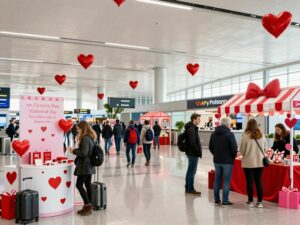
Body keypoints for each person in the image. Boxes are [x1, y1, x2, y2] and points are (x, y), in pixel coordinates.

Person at [209, 117, 238, 207]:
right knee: (226, 181)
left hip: (217, 160)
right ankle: (225, 201)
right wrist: (233, 156)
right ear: (228, 124)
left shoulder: (213, 134)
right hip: (227, 161)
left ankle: (217, 200)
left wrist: (216, 154)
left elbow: (210, 147)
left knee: (217, 180)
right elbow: (234, 148)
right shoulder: (229, 134)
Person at [69, 121, 96, 216]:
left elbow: (84, 153)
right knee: (87, 185)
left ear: (82, 128)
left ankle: (87, 206)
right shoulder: (91, 137)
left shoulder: (85, 138)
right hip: (90, 165)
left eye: (78, 128)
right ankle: (89, 205)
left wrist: (73, 150)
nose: (77, 130)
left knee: (79, 185)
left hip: (85, 166)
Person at [239, 119, 267, 208]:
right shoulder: (262, 136)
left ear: (248, 125)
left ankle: (250, 201)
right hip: (259, 162)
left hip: (248, 162)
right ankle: (260, 202)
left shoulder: (245, 136)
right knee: (259, 181)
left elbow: (242, 151)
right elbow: (266, 148)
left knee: (249, 182)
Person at [185, 113, 202, 196]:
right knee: (192, 172)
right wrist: (198, 152)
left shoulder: (192, 128)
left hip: (191, 153)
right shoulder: (192, 129)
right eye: (198, 119)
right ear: (194, 119)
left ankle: (188, 187)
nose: (200, 120)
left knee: (190, 171)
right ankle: (190, 189)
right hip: (193, 153)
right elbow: (192, 142)